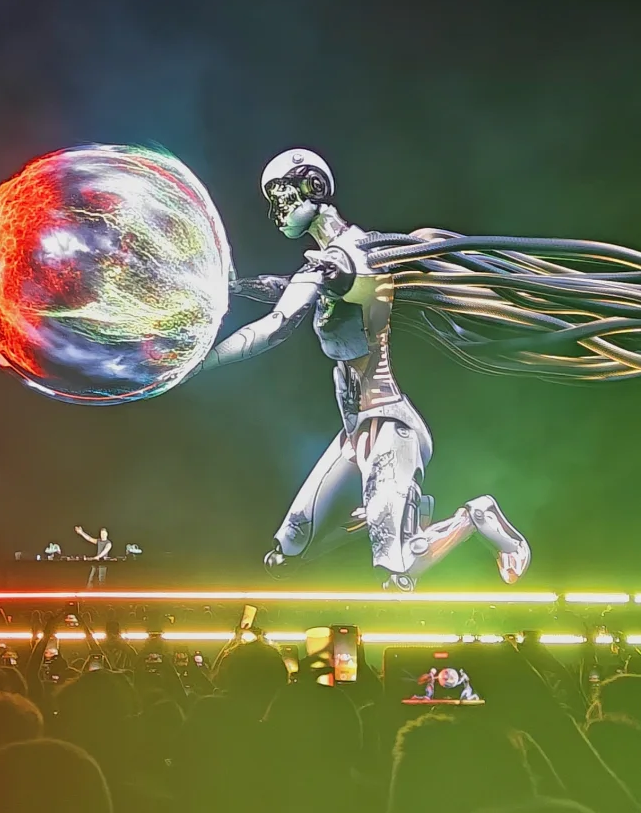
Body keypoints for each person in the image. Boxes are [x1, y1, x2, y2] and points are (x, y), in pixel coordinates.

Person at [193, 148, 530, 590]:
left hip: (389, 424)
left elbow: (291, 320)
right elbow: (286, 301)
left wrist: (201, 362)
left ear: (313, 186)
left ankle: (476, 515)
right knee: (285, 551)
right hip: (354, 433)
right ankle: (378, 516)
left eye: (281, 195)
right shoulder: (327, 262)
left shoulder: (355, 255)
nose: (277, 211)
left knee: (397, 570)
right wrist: (235, 293)